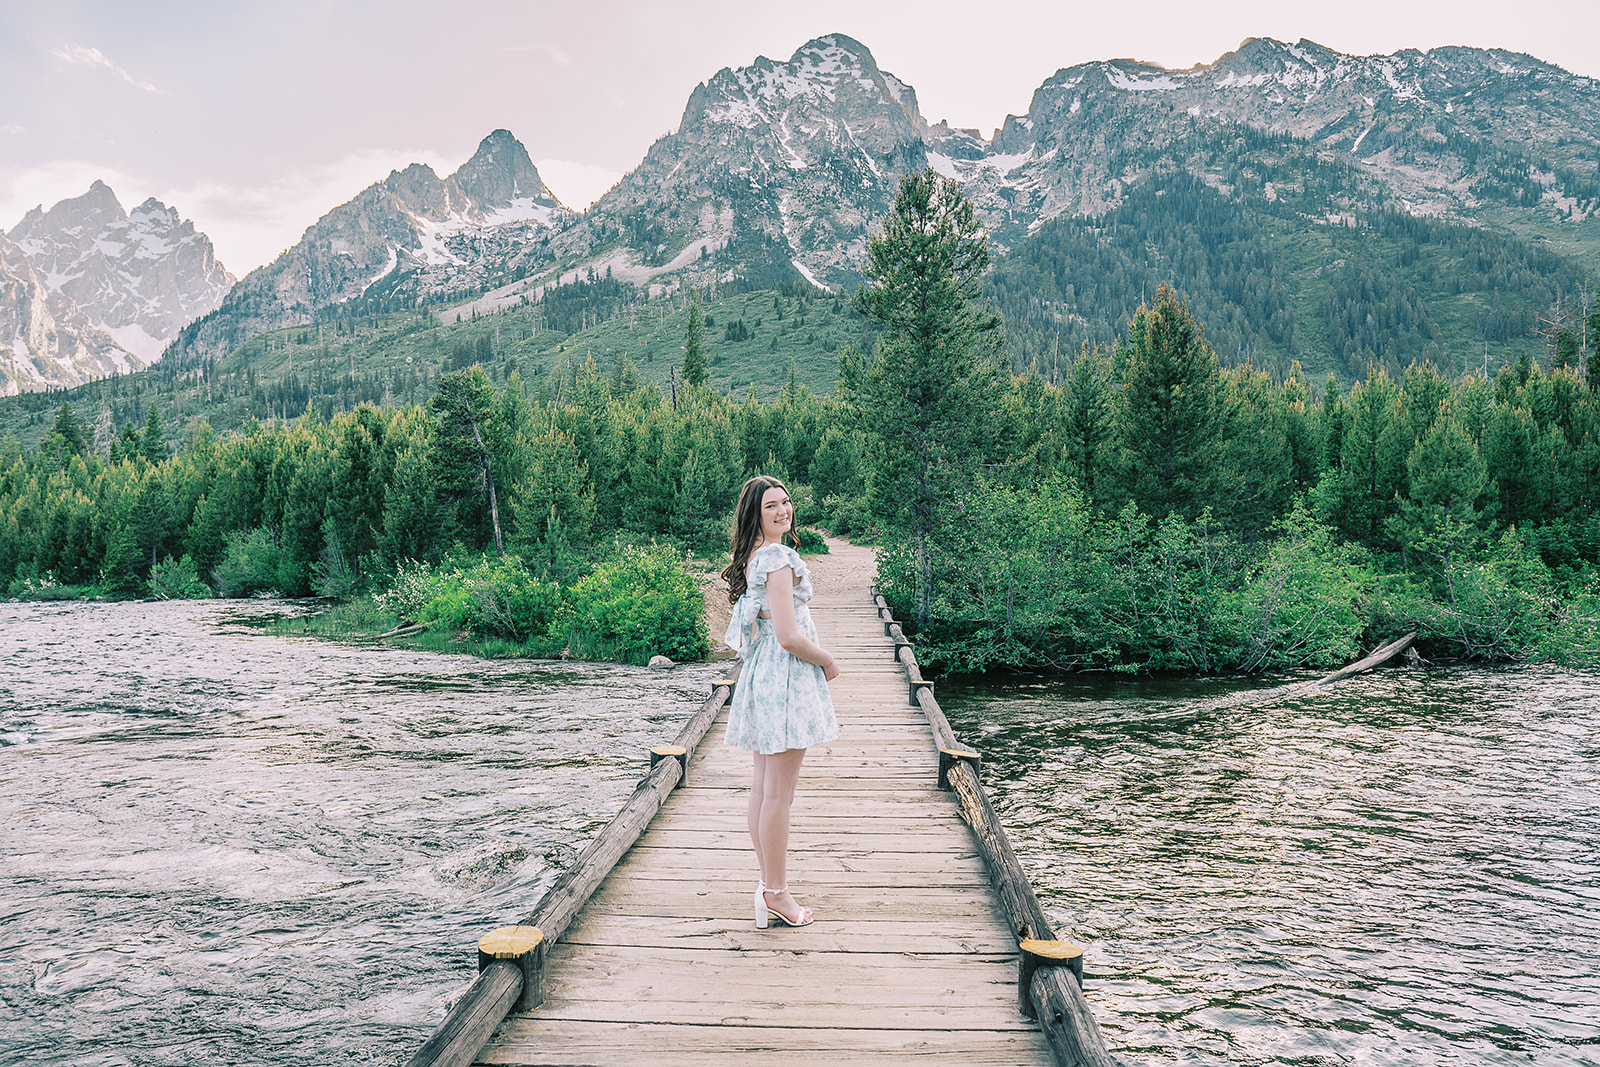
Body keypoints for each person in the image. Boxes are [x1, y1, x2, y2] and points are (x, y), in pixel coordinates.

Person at [721, 475, 840, 928]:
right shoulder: (778, 557)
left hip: (765, 675)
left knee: (764, 788)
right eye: (771, 505)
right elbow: (789, 636)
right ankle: (776, 893)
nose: (782, 511)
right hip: (786, 677)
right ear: (755, 512)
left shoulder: (754, 556)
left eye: (786, 502)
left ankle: (769, 882)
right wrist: (827, 660)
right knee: (779, 796)